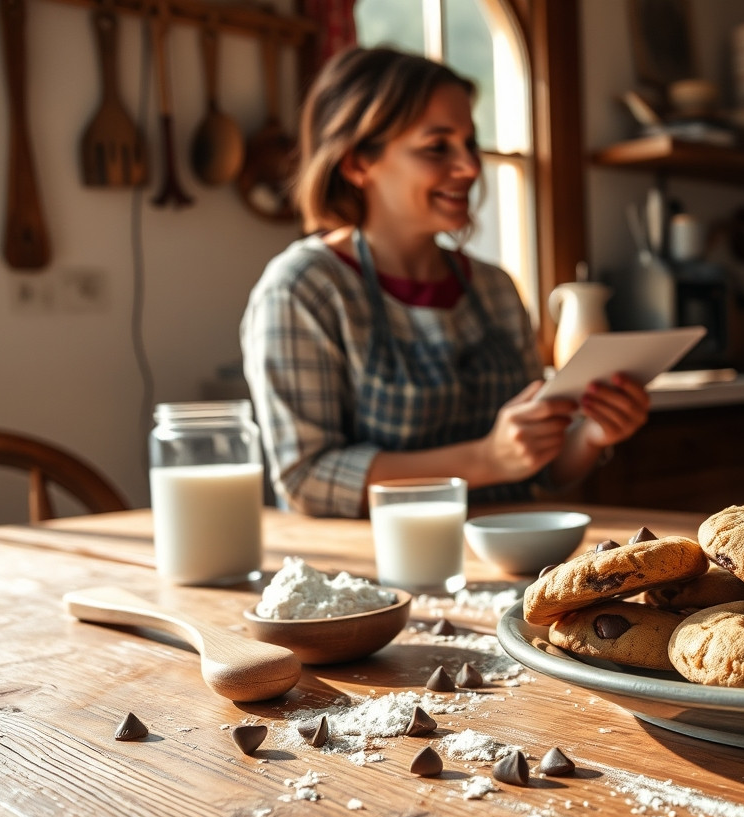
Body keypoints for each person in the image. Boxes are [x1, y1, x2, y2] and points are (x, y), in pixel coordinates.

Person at [241, 48, 649, 518]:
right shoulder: (302, 289)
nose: (470, 167)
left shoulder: (495, 289)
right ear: (357, 164)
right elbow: (306, 480)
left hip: (506, 553)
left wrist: (593, 434)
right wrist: (486, 459)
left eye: (470, 143)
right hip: (372, 563)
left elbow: (541, 471)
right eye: (437, 147)